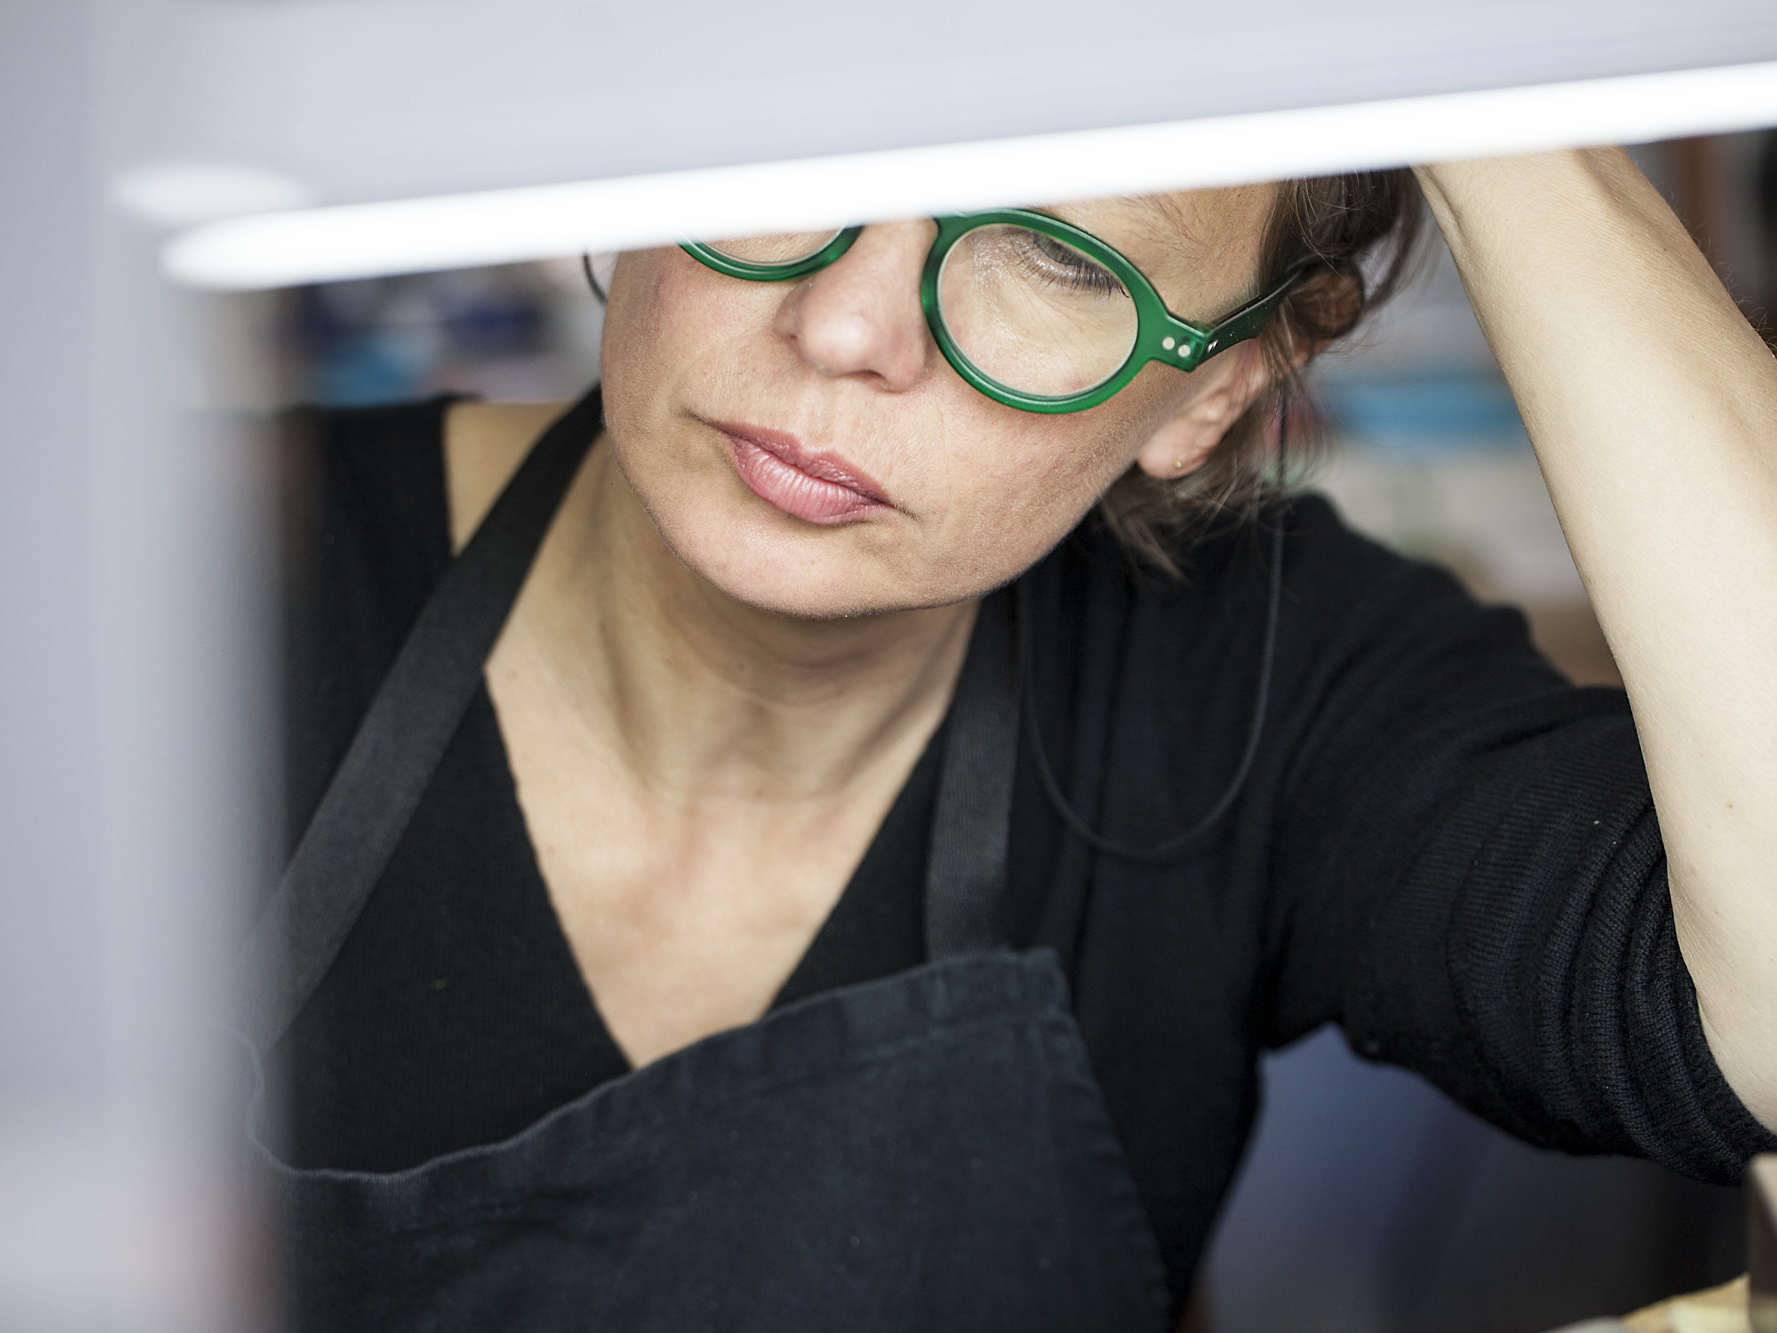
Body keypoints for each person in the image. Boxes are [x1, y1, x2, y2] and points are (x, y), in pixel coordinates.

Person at [252, 148, 1777, 1330]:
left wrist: (1487, 100)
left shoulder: (1259, 676)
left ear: (1221, 384)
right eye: (798, 162)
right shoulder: (187, 571)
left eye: (1049, 256)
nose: (842, 327)